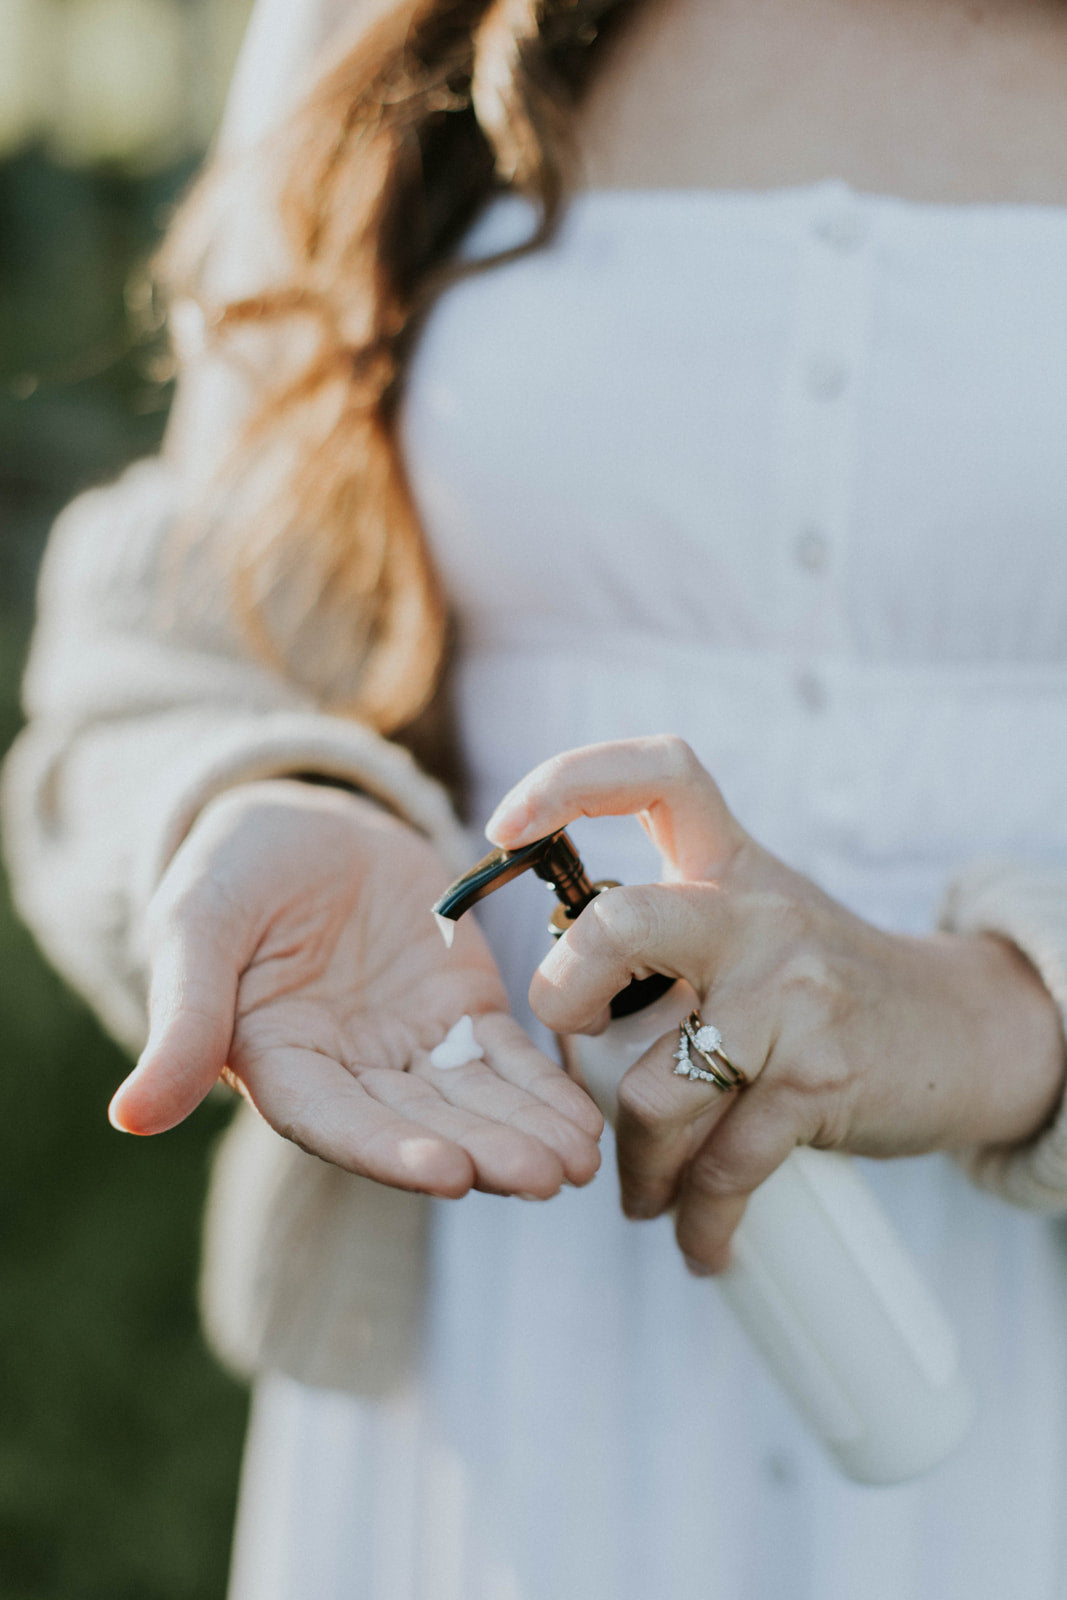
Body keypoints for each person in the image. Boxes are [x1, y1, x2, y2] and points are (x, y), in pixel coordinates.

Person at [6, 0, 1067, 1593]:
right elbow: (163, 657)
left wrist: (989, 1021)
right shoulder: (386, 26)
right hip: (491, 1361)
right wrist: (269, 795)